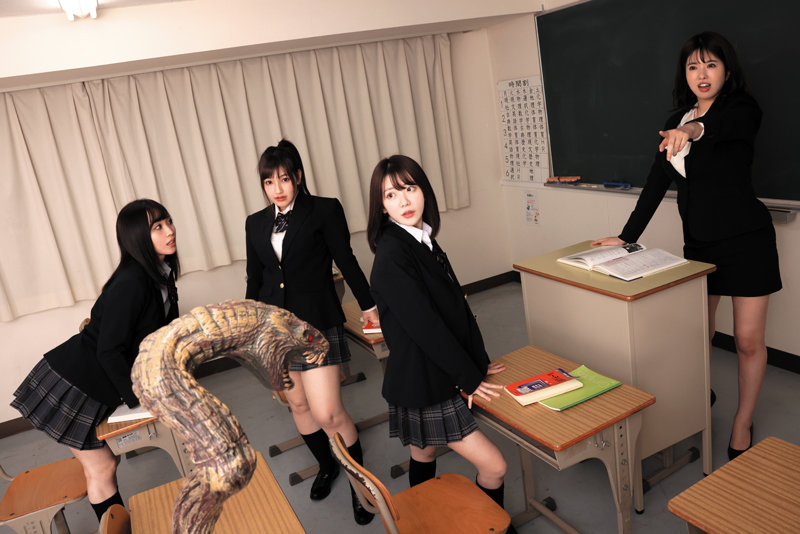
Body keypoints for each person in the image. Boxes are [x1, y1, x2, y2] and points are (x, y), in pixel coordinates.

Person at [592, 31, 781, 461]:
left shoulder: (741, 109)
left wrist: (691, 129)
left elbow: (715, 129)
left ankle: (743, 422)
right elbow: (656, 182)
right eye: (693, 66)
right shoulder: (675, 118)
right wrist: (627, 236)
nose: (702, 74)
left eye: (711, 64)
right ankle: (700, 395)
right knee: (699, 334)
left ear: (726, 70)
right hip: (700, 244)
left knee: (748, 341)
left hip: (747, 241)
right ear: (685, 73)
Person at [366, 155, 516, 527]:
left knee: (424, 453)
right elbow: (427, 328)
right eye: (391, 195)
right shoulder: (392, 255)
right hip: (425, 381)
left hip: (425, 373)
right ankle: (488, 528)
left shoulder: (420, 238)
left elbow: (455, 310)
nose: (404, 201)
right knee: (495, 466)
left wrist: (478, 362)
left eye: (410, 188)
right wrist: (469, 378)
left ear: (424, 191)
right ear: (381, 207)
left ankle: (422, 522)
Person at [11, 198, 180, 521]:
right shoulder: (132, 282)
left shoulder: (160, 273)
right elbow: (108, 350)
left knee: (104, 466)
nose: (169, 231)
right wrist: (136, 400)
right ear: (137, 238)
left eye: (168, 222)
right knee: (102, 467)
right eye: (157, 227)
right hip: (74, 383)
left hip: (91, 378)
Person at [244, 139, 379, 525]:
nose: (277, 188)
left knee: (328, 412)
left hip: (316, 324)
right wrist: (251, 332)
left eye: (284, 179)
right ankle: (327, 465)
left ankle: (360, 486)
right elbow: (255, 278)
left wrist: (369, 306)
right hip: (275, 329)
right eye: (269, 182)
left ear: (298, 177)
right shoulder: (255, 223)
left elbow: (346, 260)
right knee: (300, 406)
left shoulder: (324, 209)